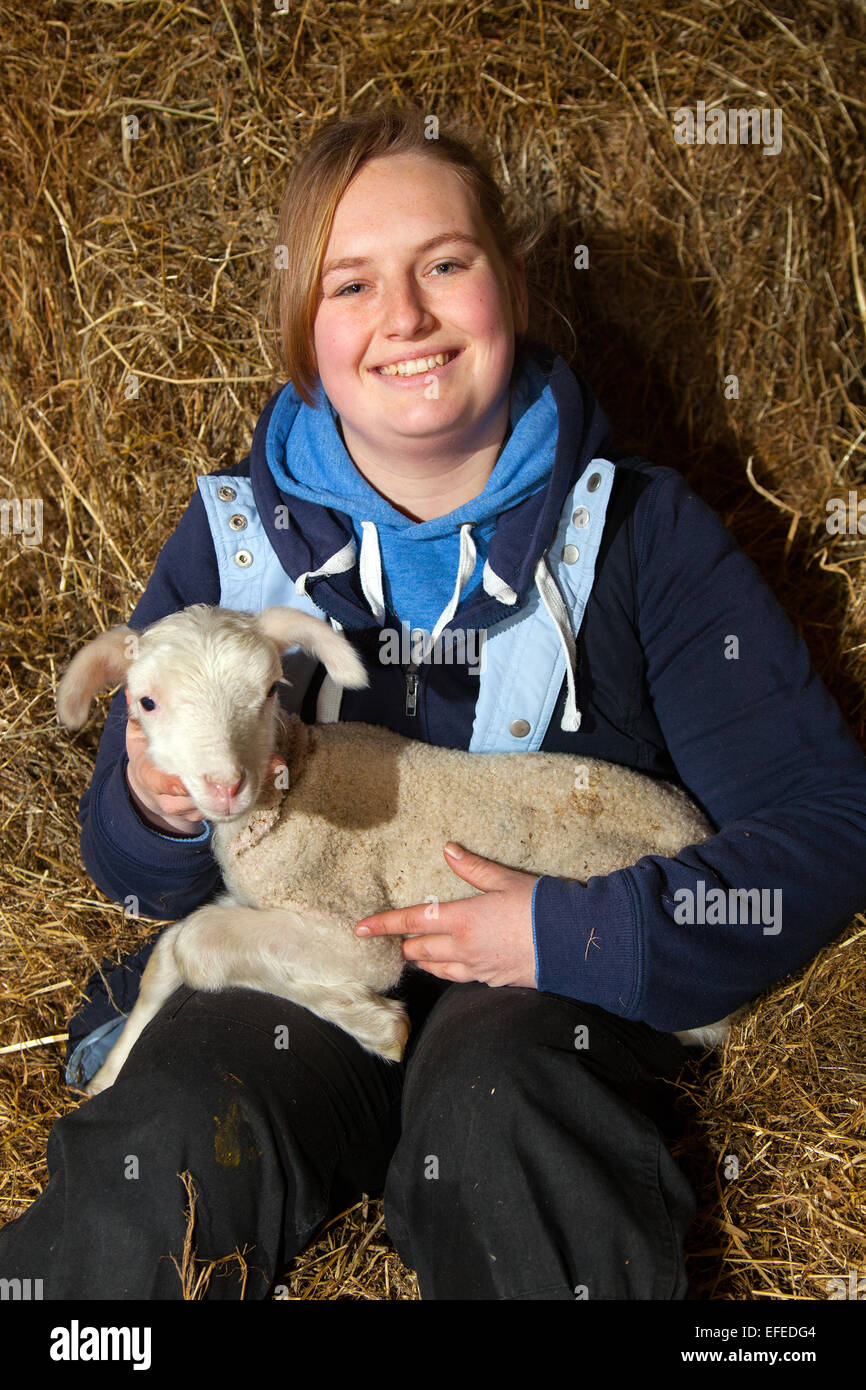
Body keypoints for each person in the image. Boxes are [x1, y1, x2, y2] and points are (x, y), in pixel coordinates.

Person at [2, 102, 866, 1301]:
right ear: (299, 325)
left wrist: (576, 934)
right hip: (298, 970)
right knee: (171, 1133)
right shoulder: (233, 548)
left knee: (508, 1111)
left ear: (507, 285)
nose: (403, 317)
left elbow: (825, 821)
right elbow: (131, 863)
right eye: (349, 283)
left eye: (444, 266)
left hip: (532, 998)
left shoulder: (637, 535)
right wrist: (157, 806)